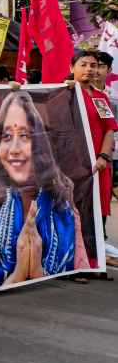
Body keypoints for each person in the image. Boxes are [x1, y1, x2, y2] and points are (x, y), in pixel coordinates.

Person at [0, 91, 90, 294]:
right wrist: (18, 274)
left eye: (24, 135)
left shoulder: (68, 217)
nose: (14, 149)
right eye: (6, 136)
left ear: (40, 146)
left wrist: (38, 271)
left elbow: (80, 296)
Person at [71, 51, 118, 236]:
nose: (90, 69)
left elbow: (109, 129)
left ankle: (94, 255)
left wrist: (103, 157)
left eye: (94, 65)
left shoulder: (101, 98)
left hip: (97, 166)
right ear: (71, 68)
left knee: (96, 212)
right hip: (72, 166)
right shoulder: (62, 93)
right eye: (84, 64)